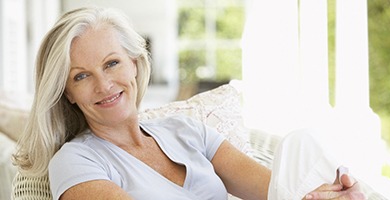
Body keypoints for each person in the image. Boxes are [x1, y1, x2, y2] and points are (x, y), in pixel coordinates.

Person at [12, 6, 365, 200]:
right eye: (81, 76)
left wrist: (326, 195)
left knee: (301, 143)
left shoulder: (186, 131)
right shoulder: (74, 162)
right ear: (67, 93)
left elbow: (273, 191)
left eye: (112, 63)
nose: (104, 84)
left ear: (135, 62)